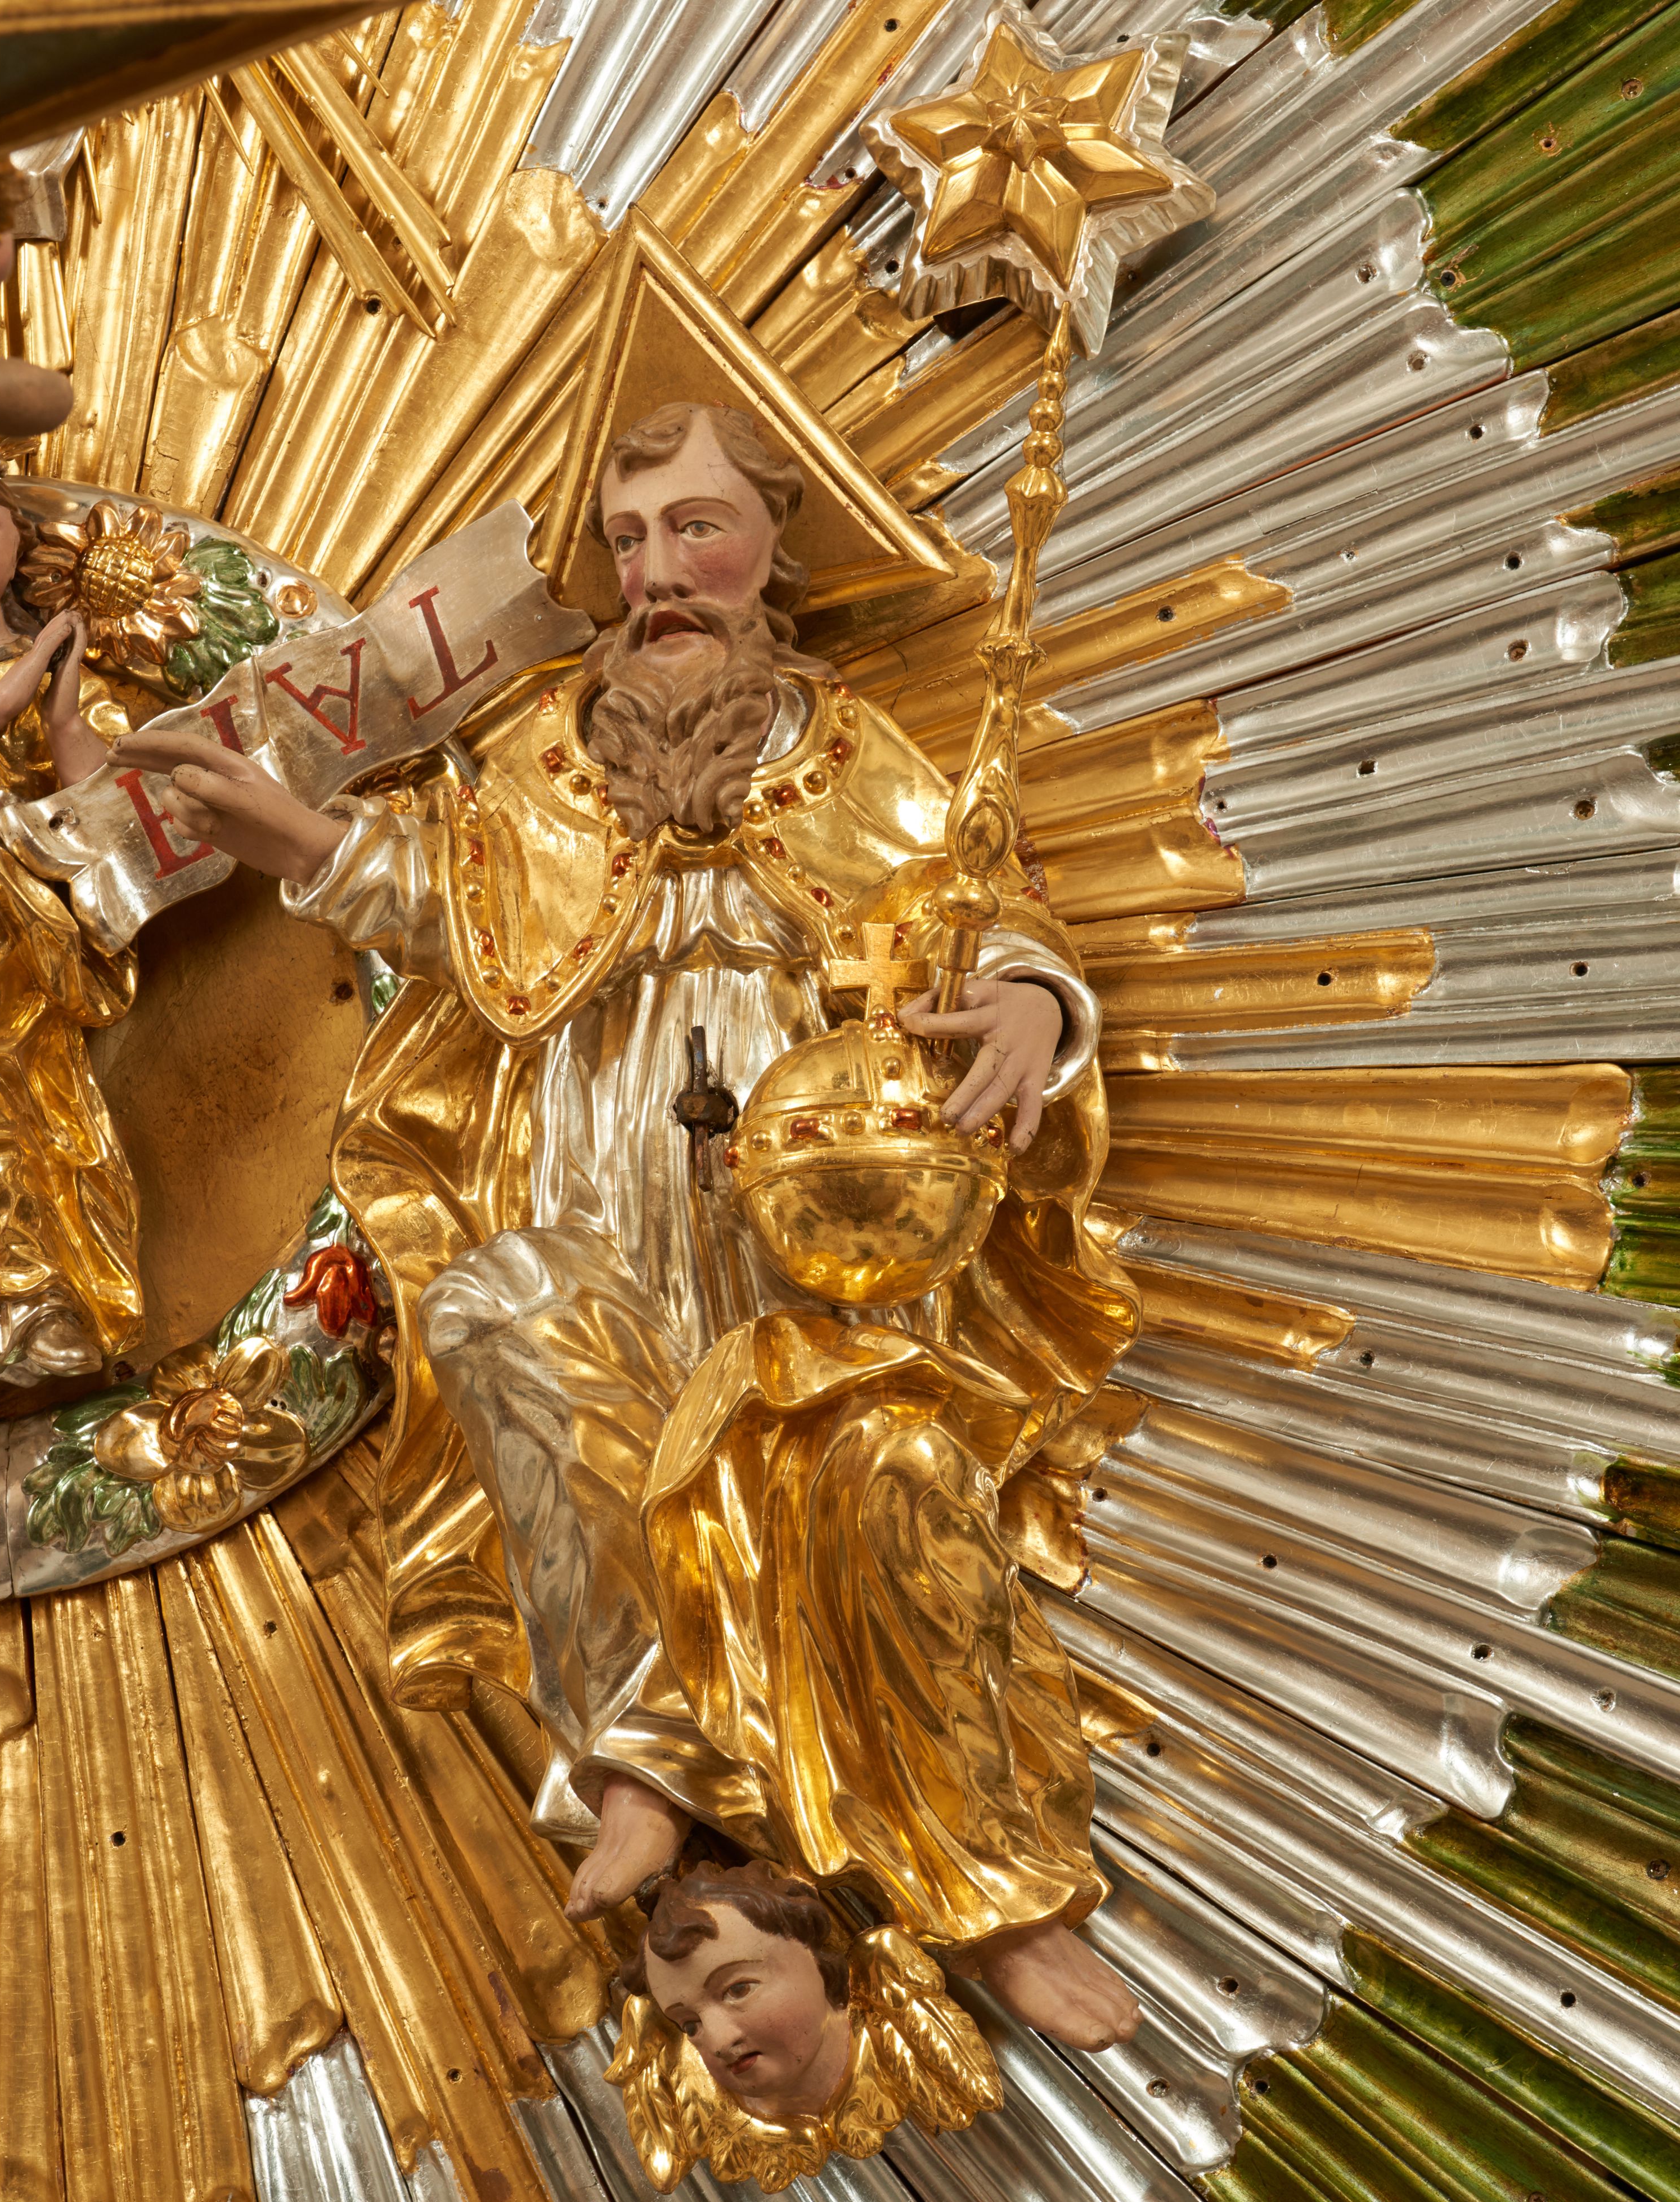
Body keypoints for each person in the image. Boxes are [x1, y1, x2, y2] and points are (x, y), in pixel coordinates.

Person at [112, 401, 1140, 2050]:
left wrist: (1030, 1002)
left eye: (697, 530)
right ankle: (646, 1761)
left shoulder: (851, 752)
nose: (657, 572)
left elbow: (980, 904)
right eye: (631, 538)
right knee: (503, 1317)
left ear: (773, 551)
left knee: (869, 1480)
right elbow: (447, 902)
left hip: (811, 1225)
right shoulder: (548, 760)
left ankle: (986, 1885)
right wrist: (297, 836)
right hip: (599, 1196)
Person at [0, 487, 141, 1378]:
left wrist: (66, 712)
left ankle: (36, 1304)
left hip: (17, 929)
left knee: (32, 1110)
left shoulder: (43, 664)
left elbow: (93, 793)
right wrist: (43, 654)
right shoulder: (32, 656)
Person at [622, 1859, 854, 2122]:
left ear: (809, 1954)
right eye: (691, 2026)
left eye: (738, 1989)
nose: (720, 2043)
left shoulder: (886, 2033)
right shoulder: (713, 2126)